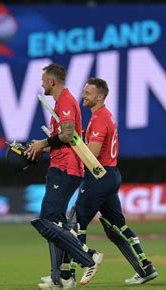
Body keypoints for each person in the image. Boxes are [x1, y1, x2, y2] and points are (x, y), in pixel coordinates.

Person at [25, 64, 103, 289]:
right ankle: (61, 278)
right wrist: (40, 147)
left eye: (43, 80)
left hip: (66, 169)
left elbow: (68, 134)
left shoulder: (67, 101)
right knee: (55, 223)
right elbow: (63, 140)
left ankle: (89, 257)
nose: (41, 84)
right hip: (59, 166)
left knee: (46, 221)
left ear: (52, 82)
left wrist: (44, 143)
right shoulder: (61, 103)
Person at [76, 78, 158, 285]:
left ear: (100, 96)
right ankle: (146, 266)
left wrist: (71, 145)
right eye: (84, 91)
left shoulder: (99, 118)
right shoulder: (105, 116)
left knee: (76, 224)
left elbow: (91, 155)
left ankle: (80, 266)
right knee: (119, 225)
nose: (83, 95)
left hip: (98, 176)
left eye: (88, 92)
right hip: (110, 175)